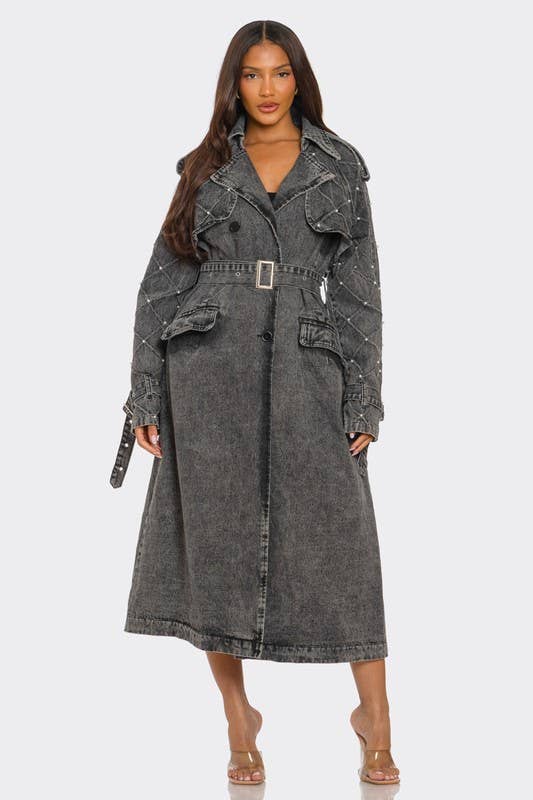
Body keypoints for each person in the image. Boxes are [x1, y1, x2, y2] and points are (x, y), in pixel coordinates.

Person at [110, 19, 400, 787]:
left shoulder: (338, 167)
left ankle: (375, 718)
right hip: (207, 367)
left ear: (297, 79)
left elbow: (361, 296)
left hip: (308, 364)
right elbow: (160, 286)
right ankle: (239, 720)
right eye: (250, 74)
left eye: (278, 73)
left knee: (344, 543)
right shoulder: (206, 167)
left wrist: (363, 398)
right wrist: (145, 389)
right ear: (233, 84)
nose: (265, 89)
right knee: (215, 544)